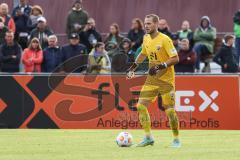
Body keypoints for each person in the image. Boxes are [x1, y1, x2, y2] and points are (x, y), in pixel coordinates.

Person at [127, 14, 180, 147]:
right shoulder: (145, 38)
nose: (146, 26)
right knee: (140, 106)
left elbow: (175, 58)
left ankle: (176, 139)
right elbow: (143, 54)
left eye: (149, 23)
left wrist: (159, 66)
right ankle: (148, 137)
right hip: (152, 80)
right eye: (145, 23)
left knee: (169, 110)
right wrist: (132, 68)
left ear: (156, 24)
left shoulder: (165, 40)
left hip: (166, 81)